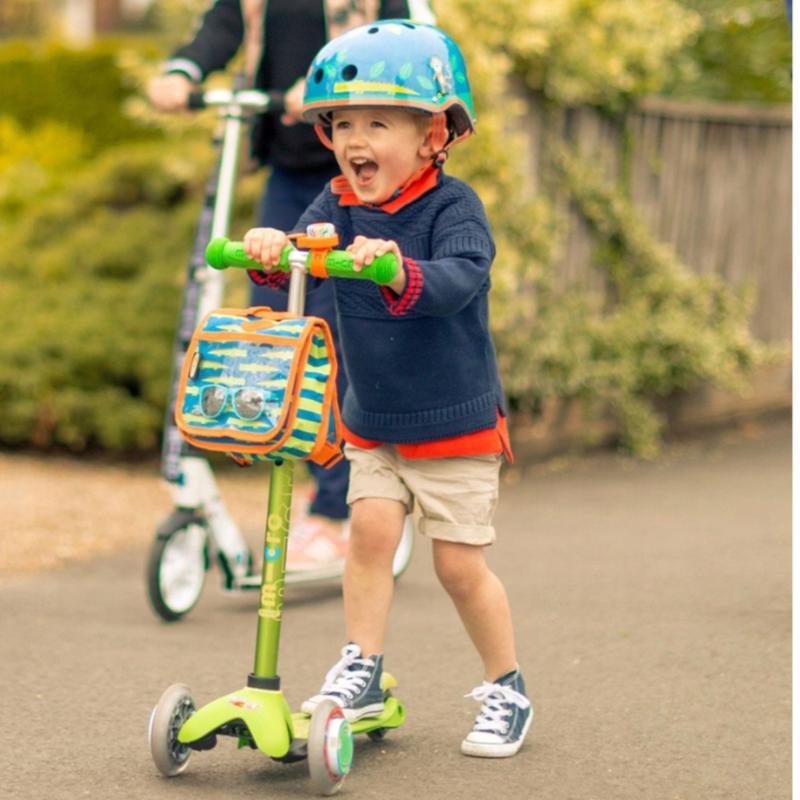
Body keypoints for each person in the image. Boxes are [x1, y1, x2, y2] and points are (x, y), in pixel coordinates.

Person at [242, 20, 532, 758]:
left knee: (457, 567)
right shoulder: (337, 203)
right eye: (343, 125)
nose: (355, 140)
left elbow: (461, 277)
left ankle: (506, 686)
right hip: (374, 422)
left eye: (378, 123)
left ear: (433, 135)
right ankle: (363, 669)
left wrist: (399, 266)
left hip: (454, 424)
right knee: (369, 536)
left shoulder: (454, 208)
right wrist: (273, 252)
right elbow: (304, 259)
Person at [147, 0, 434, 573]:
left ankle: (335, 508)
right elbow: (224, 25)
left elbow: (414, 49)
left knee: (338, 334)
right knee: (275, 333)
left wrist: (334, 89)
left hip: (359, 176)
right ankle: (311, 477)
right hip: (286, 172)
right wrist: (183, 70)